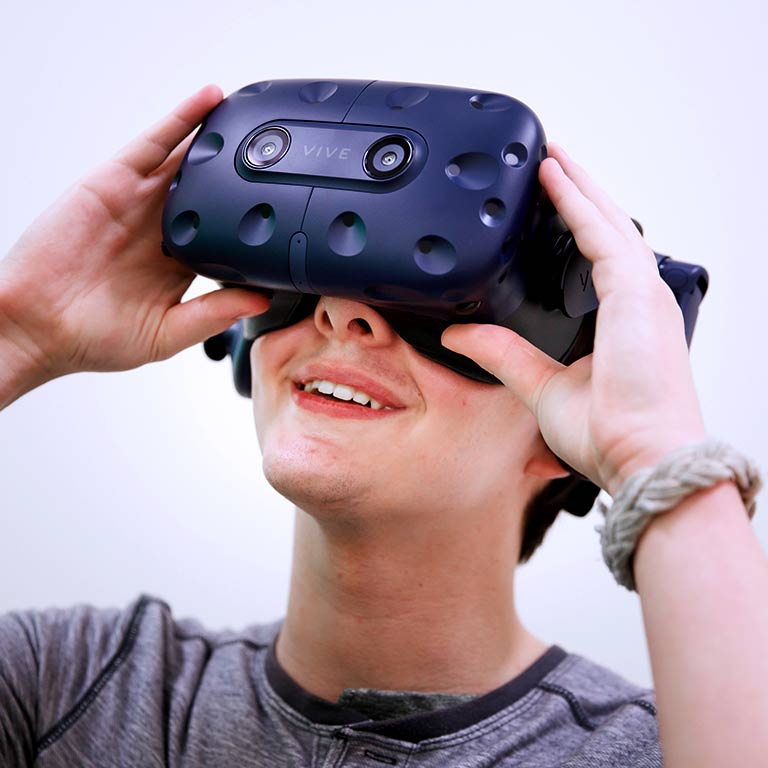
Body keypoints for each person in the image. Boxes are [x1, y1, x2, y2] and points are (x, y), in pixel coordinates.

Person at [0, 85, 765, 768]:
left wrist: (650, 451)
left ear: (558, 437)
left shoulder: (652, 751)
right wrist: (18, 336)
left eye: (437, 299)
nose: (341, 313)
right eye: (304, 277)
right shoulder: (65, 689)